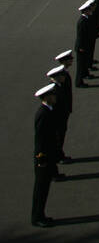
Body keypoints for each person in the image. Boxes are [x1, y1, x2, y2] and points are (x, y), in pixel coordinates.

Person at [33, 83, 59, 226]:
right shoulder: (43, 114)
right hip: (43, 157)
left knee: (44, 188)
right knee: (40, 189)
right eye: (53, 95)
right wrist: (41, 158)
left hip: (48, 155)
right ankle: (37, 217)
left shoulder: (48, 110)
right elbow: (40, 139)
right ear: (47, 97)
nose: (55, 97)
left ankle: (40, 215)